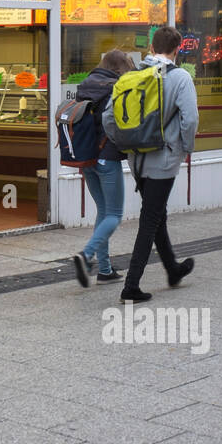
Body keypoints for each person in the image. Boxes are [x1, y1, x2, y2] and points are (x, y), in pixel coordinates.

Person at [106, 26, 199, 304]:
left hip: (137, 158)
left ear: (151, 47)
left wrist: (125, 143)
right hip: (164, 159)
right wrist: (185, 148)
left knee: (156, 213)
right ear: (177, 49)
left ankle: (173, 269)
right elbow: (191, 119)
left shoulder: (133, 75)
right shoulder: (181, 77)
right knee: (149, 220)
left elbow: (108, 118)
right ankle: (130, 287)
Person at [73, 49, 136, 288]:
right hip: (107, 158)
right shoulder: (115, 88)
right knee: (114, 215)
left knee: (103, 211)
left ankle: (106, 270)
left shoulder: (85, 84)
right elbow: (117, 122)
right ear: (119, 69)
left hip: (87, 159)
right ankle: (86, 255)